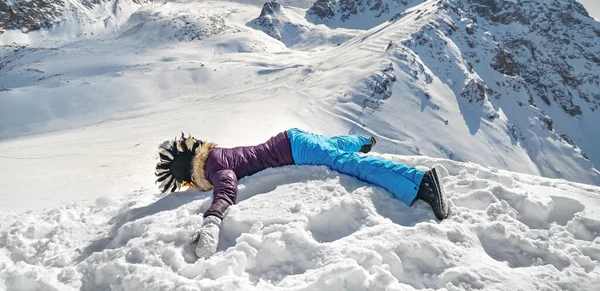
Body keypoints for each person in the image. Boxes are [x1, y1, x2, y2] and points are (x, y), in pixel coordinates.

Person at [155, 128, 448, 259]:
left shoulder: (217, 169)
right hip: (291, 137)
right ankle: (363, 141)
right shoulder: (218, 155)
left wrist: (212, 220)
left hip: (294, 150)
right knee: (331, 146)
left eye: (188, 184)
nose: (191, 188)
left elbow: (226, 190)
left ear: (192, 174)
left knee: (345, 164)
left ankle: (419, 180)